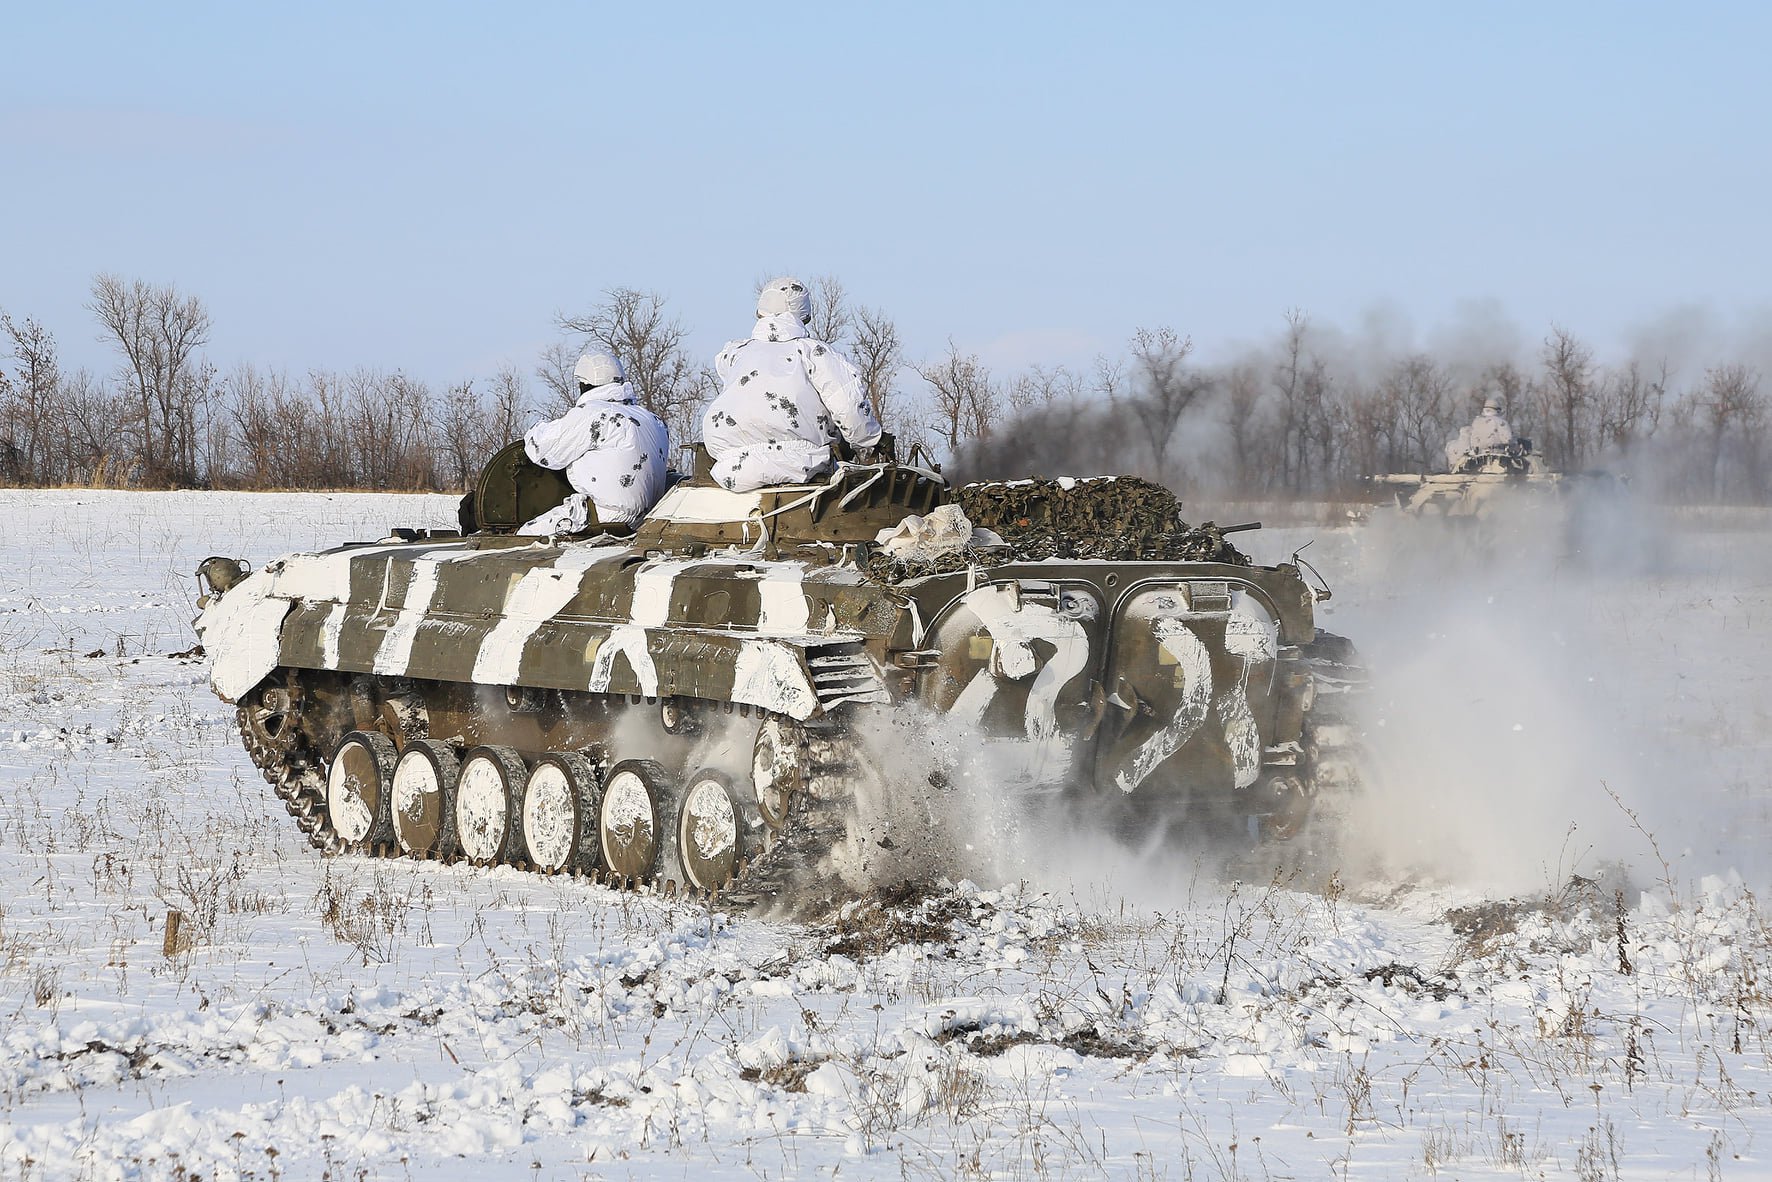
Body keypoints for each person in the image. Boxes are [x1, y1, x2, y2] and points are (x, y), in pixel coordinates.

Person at [701, 277, 883, 491]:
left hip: (730, 464)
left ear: (760, 312)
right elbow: (850, 409)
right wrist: (870, 441)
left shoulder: (735, 354)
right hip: (800, 460)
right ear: (805, 315)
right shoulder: (813, 353)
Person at [520, 349, 669, 531]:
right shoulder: (652, 419)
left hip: (606, 515)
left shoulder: (594, 413)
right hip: (650, 519)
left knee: (526, 535)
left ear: (584, 384)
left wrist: (535, 429)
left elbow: (543, 448)